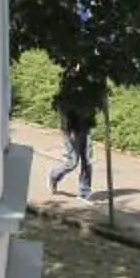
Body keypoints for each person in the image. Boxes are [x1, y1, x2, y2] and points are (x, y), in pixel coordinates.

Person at [50, 62, 98, 198]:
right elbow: (64, 112)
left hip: (85, 127)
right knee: (73, 162)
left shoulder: (88, 88)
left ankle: (84, 191)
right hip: (71, 129)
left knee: (87, 160)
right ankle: (54, 176)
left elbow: (92, 106)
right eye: (75, 70)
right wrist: (69, 129)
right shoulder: (66, 91)